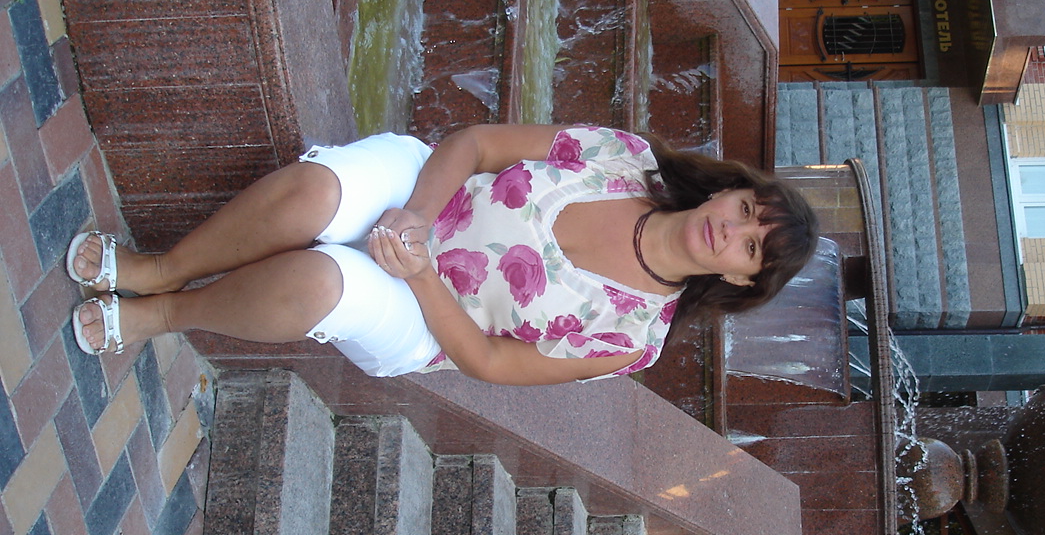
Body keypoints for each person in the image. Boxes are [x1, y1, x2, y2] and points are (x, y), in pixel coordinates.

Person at [67, 124, 818, 386]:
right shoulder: (624, 158)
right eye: (745, 210)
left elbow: (488, 361)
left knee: (319, 281)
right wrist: (418, 216)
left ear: (739, 277)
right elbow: (480, 144)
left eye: (751, 246)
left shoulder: (633, 338)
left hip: (432, 319)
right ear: (729, 190)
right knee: (313, 196)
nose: (732, 230)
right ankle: (158, 268)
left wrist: (421, 274)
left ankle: (166, 314)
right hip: (429, 193)